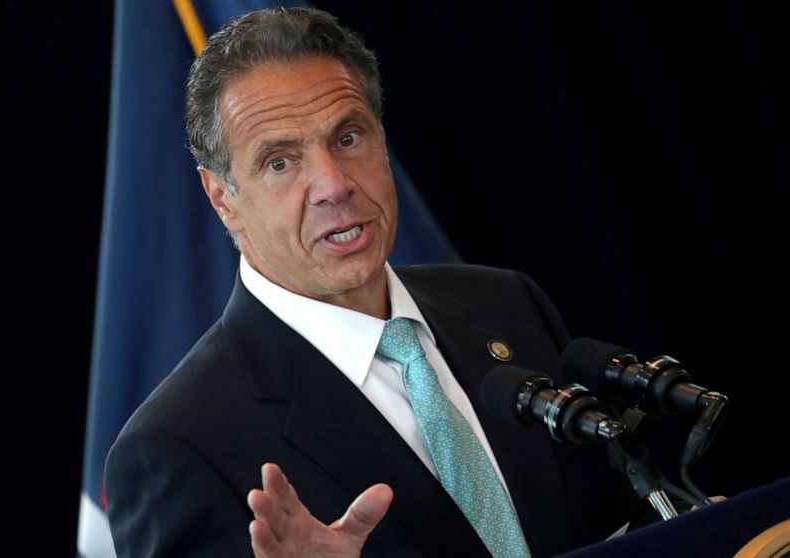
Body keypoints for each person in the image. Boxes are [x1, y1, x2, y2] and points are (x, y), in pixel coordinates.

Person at [105, 7, 626, 557]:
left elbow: (611, 525)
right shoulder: (178, 447)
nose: (334, 184)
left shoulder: (508, 306)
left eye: (348, 137)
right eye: (280, 162)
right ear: (221, 198)